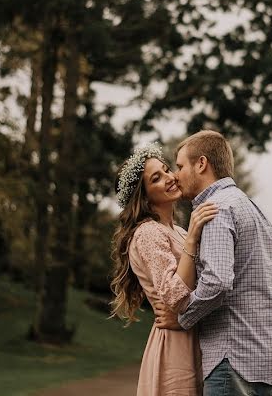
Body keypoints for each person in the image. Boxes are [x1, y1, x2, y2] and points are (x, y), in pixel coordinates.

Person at [155, 130, 272, 396]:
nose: (176, 175)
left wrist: (183, 318)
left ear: (202, 164)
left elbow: (217, 282)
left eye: (181, 166)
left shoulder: (216, 209)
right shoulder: (251, 208)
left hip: (235, 359)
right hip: (268, 361)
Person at [110, 142, 219, 396]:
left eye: (167, 170)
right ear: (145, 195)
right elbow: (175, 295)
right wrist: (193, 237)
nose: (170, 178)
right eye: (156, 178)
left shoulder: (177, 231)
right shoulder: (148, 233)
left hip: (195, 336)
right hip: (175, 349)